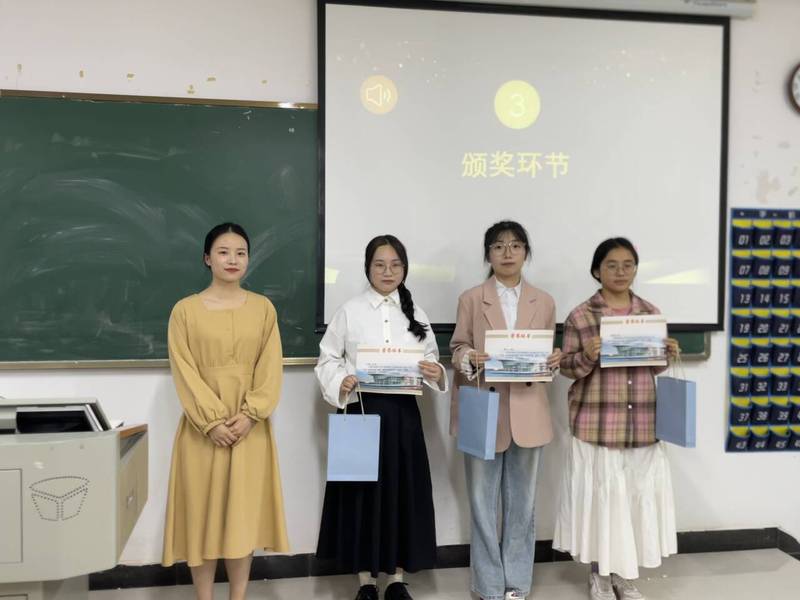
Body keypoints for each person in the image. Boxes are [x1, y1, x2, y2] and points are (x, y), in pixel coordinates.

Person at [315, 234, 448, 600]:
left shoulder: (416, 312)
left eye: (395, 265)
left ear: (404, 269)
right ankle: (366, 582)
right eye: (380, 265)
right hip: (361, 411)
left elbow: (432, 359)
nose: (388, 272)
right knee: (362, 496)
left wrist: (435, 372)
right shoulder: (350, 310)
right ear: (368, 268)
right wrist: (342, 381)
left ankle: (396, 580)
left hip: (404, 417)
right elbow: (328, 359)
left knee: (402, 494)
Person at [162, 222, 288, 600]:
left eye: (240, 253)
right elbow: (184, 370)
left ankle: (238, 596)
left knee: (241, 519)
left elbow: (270, 367)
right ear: (207, 258)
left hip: (250, 429)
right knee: (201, 518)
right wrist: (212, 421)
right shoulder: (184, 311)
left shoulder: (263, 309)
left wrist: (250, 414)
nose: (233, 259)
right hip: (202, 431)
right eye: (223, 252)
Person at [554, 237, 680, 600]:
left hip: (642, 424)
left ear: (636, 269)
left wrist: (667, 353)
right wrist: (587, 355)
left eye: (628, 265)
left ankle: (624, 575)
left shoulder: (650, 313)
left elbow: (653, 366)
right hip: (598, 424)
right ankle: (599, 575)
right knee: (602, 504)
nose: (620, 272)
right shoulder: (581, 315)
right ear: (597, 271)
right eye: (611, 265)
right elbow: (566, 368)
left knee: (633, 503)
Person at [450, 220, 561, 600]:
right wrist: (469, 357)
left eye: (515, 245)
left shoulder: (544, 301)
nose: (507, 253)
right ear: (488, 255)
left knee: (522, 505)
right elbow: (457, 347)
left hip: (529, 409)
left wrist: (553, 362)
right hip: (485, 407)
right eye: (498, 246)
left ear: (526, 252)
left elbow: (545, 356)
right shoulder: (471, 298)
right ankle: (488, 585)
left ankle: (516, 584)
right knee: (482, 504)